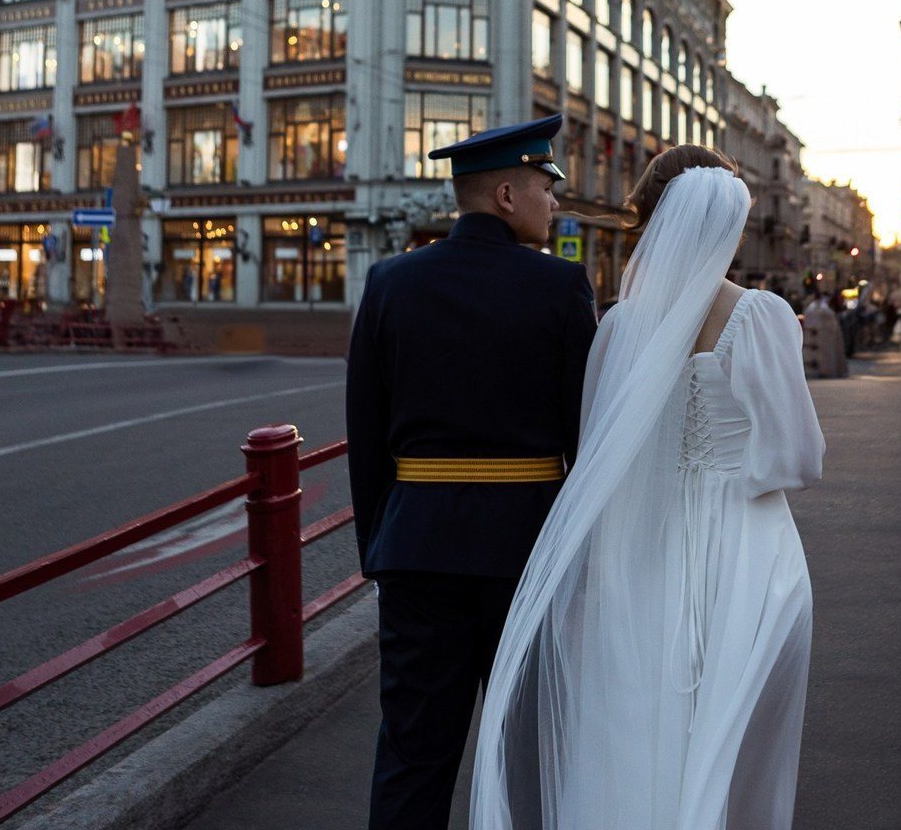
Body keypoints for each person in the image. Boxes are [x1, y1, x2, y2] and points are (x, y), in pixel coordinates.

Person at [471, 146, 826, 830]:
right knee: (735, 736)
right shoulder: (760, 316)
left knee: (634, 719)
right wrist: (732, 467)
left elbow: (599, 453)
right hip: (744, 546)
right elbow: (797, 459)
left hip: (641, 551)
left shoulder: (618, 327)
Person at [346, 113, 597, 830]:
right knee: (529, 750)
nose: (555, 200)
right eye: (546, 186)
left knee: (413, 751)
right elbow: (585, 433)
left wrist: (379, 547)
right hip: (527, 550)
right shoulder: (560, 286)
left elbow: (367, 436)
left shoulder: (390, 282)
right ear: (507, 196)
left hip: (416, 549)